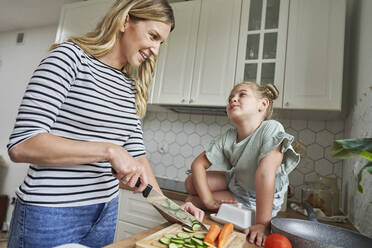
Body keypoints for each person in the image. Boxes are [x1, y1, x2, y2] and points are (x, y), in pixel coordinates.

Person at [6, 0, 204, 247]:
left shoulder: (129, 87)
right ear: (125, 21)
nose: (155, 50)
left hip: (105, 213)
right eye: (152, 36)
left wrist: (172, 210)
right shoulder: (70, 57)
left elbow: (138, 159)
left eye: (160, 43)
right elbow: (23, 144)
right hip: (50, 213)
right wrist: (109, 150)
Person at [184, 81, 300, 247]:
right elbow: (197, 165)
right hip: (238, 182)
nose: (233, 99)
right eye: (230, 97)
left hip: (259, 197)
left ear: (263, 104)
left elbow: (265, 173)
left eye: (242, 94)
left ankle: (258, 216)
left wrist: (262, 224)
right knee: (190, 184)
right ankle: (211, 201)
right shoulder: (229, 136)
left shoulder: (271, 129)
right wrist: (209, 201)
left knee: (192, 201)